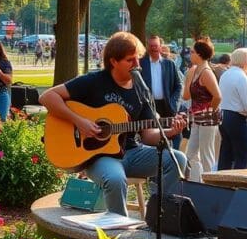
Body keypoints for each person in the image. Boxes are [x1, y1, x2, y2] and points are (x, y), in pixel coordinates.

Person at [39, 32, 188, 216]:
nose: (137, 65)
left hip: (132, 153)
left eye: (138, 58)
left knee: (178, 159)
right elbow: (47, 97)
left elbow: (148, 136)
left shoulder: (142, 91)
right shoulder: (94, 81)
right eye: (129, 60)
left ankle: (159, 215)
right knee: (116, 179)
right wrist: (80, 121)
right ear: (113, 61)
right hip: (99, 156)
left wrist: (171, 131)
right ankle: (119, 232)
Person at [182, 38, 222, 181]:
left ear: (199, 54)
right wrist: (189, 77)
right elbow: (186, 96)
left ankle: (210, 184)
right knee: (190, 154)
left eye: (192, 52)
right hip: (197, 118)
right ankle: (195, 182)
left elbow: (217, 96)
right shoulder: (195, 70)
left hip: (207, 120)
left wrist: (209, 111)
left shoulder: (206, 72)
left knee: (207, 155)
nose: (189, 54)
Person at [218, 48, 247, 170]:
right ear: (246, 61)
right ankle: (238, 182)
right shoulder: (242, 77)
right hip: (237, 118)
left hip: (223, 115)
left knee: (226, 152)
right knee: (242, 154)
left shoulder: (225, 74)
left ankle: (221, 180)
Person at [139, 34, 184, 149]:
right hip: (148, 107)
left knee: (174, 135)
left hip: (167, 106)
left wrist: (174, 103)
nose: (154, 48)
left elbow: (178, 86)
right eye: (151, 46)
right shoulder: (140, 63)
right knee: (151, 140)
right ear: (147, 47)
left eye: (156, 45)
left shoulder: (169, 64)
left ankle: (174, 159)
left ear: (160, 47)